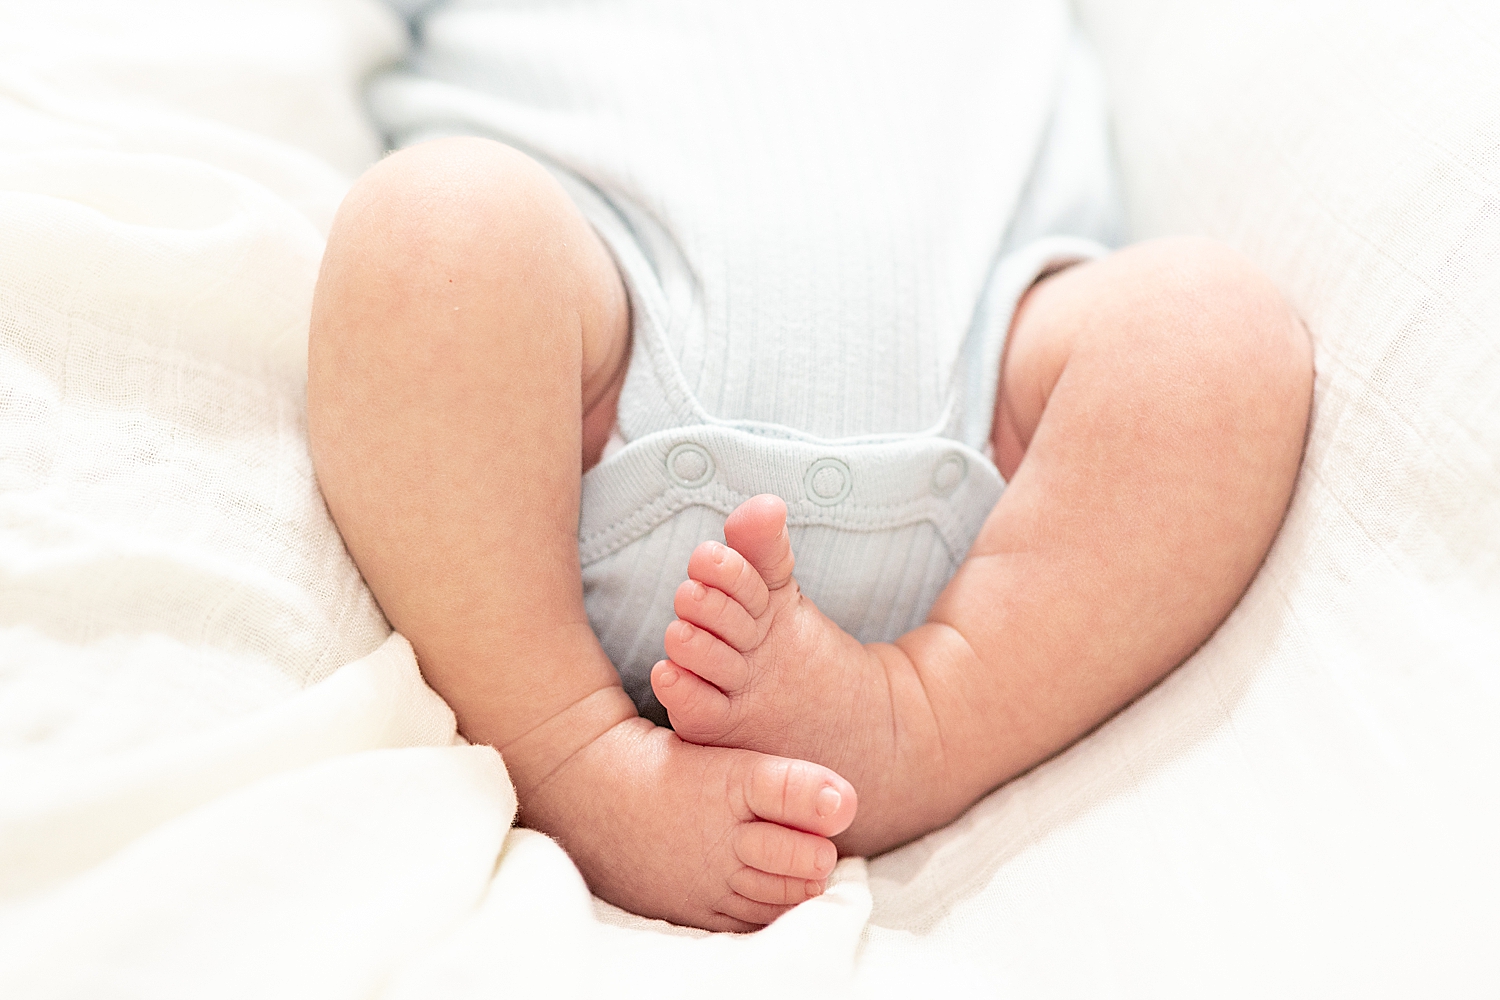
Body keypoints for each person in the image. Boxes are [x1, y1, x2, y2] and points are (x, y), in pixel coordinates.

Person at [306, 1, 1313, 932]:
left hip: (1004, 418)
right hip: (575, 379)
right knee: (430, 237)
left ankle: (916, 724)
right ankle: (569, 752)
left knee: (1221, 341)